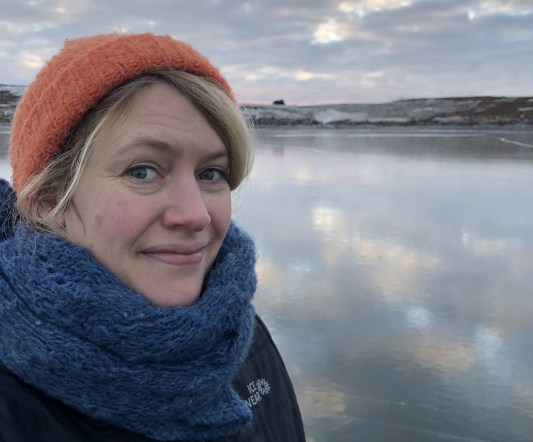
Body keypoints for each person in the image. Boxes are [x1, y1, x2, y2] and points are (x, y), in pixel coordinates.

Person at [0, 32, 305, 441]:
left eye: (211, 173)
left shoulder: (234, 333)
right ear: (48, 201)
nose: (195, 215)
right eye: (142, 171)